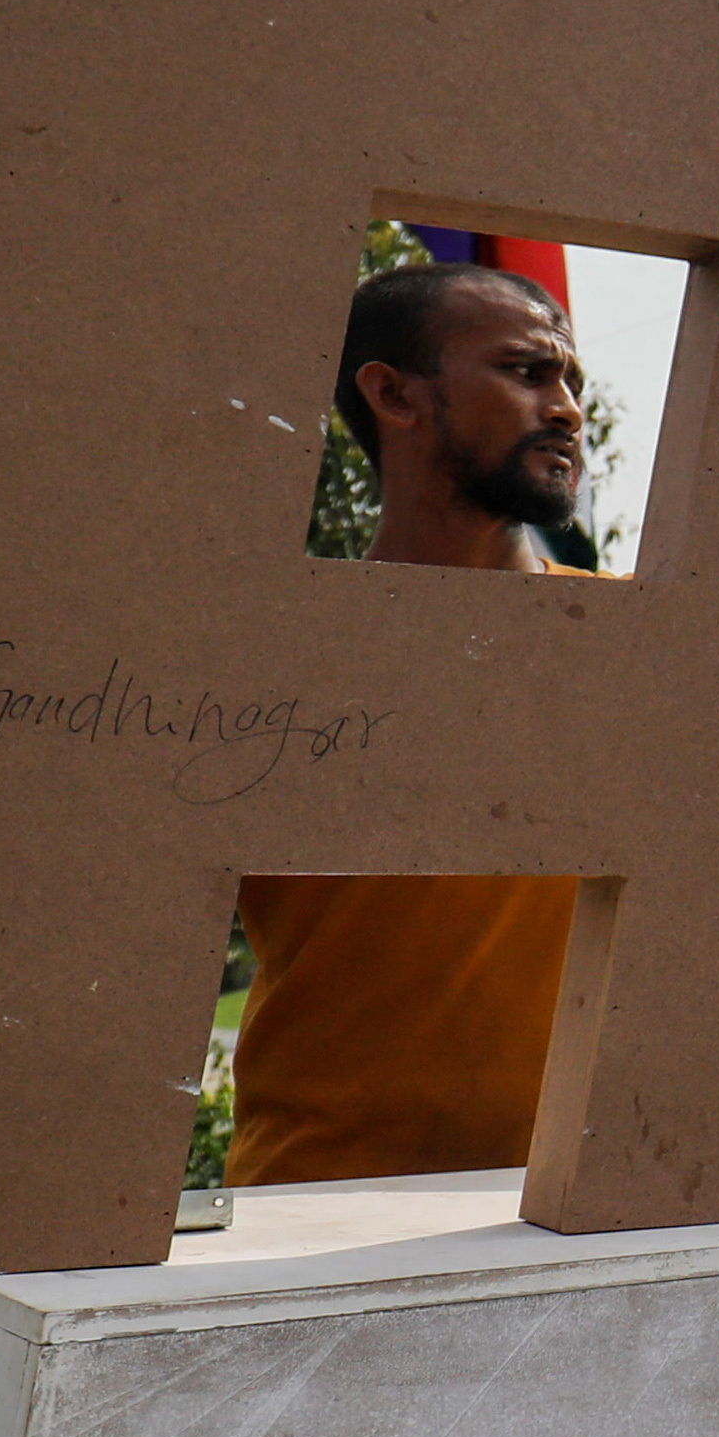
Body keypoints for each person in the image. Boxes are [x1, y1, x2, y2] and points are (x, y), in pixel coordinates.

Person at [223, 259, 592, 1185]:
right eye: (525, 371)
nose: (567, 410)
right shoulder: (263, 658)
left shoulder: (639, 645)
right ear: (393, 394)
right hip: (317, 1214)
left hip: (578, 1220)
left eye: (572, 381)